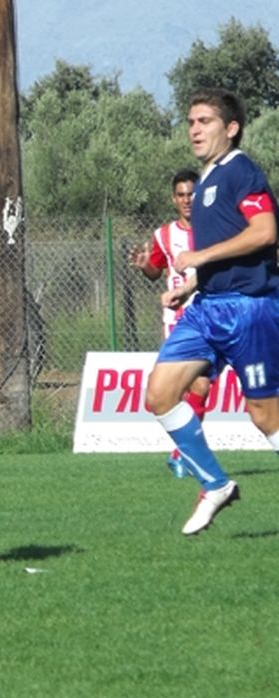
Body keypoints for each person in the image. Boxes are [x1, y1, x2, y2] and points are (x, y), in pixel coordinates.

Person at [145, 88, 279, 536]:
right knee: (159, 394)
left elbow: (264, 232)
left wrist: (199, 260)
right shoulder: (206, 181)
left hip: (249, 309)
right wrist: (191, 285)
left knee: (264, 417)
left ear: (232, 128)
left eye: (205, 121)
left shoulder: (241, 170)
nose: (195, 129)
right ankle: (215, 484)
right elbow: (222, 251)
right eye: (190, 122)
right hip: (207, 308)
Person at [130, 169, 213, 478]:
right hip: (178, 320)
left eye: (191, 193)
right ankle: (184, 454)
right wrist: (144, 266)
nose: (186, 200)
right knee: (194, 387)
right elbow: (156, 271)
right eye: (181, 195)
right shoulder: (164, 235)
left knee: (201, 388)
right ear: (173, 199)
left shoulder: (213, 232)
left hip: (211, 316)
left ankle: (183, 454)